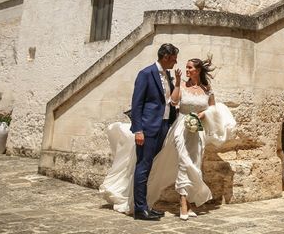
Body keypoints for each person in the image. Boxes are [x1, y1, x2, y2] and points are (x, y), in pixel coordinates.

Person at [99, 54, 236, 220]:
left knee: (195, 165)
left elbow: (213, 108)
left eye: (190, 67)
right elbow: (173, 101)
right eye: (186, 67)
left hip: (197, 130)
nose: (187, 70)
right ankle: (183, 204)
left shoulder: (207, 89)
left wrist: (203, 114)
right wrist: (178, 83)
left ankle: (191, 203)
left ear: (198, 70)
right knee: (184, 163)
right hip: (181, 127)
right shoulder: (182, 85)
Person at [130, 43, 181, 221]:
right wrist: (138, 130)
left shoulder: (167, 75)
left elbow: (168, 101)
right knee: (143, 167)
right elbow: (136, 104)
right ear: (166, 57)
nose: (176, 62)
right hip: (148, 128)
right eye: (174, 59)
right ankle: (139, 209)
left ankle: (147, 205)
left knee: (151, 167)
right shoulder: (146, 74)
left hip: (163, 126)